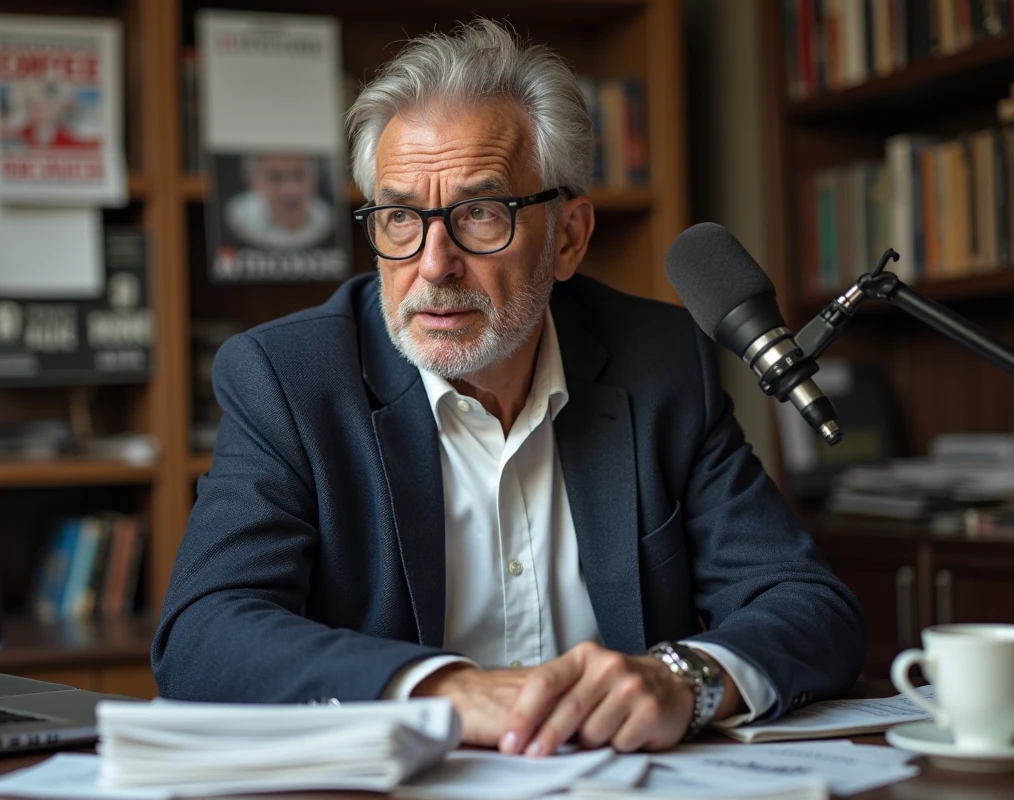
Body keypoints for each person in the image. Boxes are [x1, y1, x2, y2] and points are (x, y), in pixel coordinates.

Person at [153, 19, 866, 756]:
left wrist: (685, 679)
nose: (433, 265)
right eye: (399, 217)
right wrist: (443, 691)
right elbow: (204, 634)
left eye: (480, 214)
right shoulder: (288, 380)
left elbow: (809, 606)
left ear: (568, 238)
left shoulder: (662, 362)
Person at [224, 153, 334, 249]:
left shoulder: (327, 218)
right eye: (275, 178)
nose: (290, 190)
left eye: (299, 175)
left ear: (314, 177)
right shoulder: (239, 218)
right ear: (254, 182)